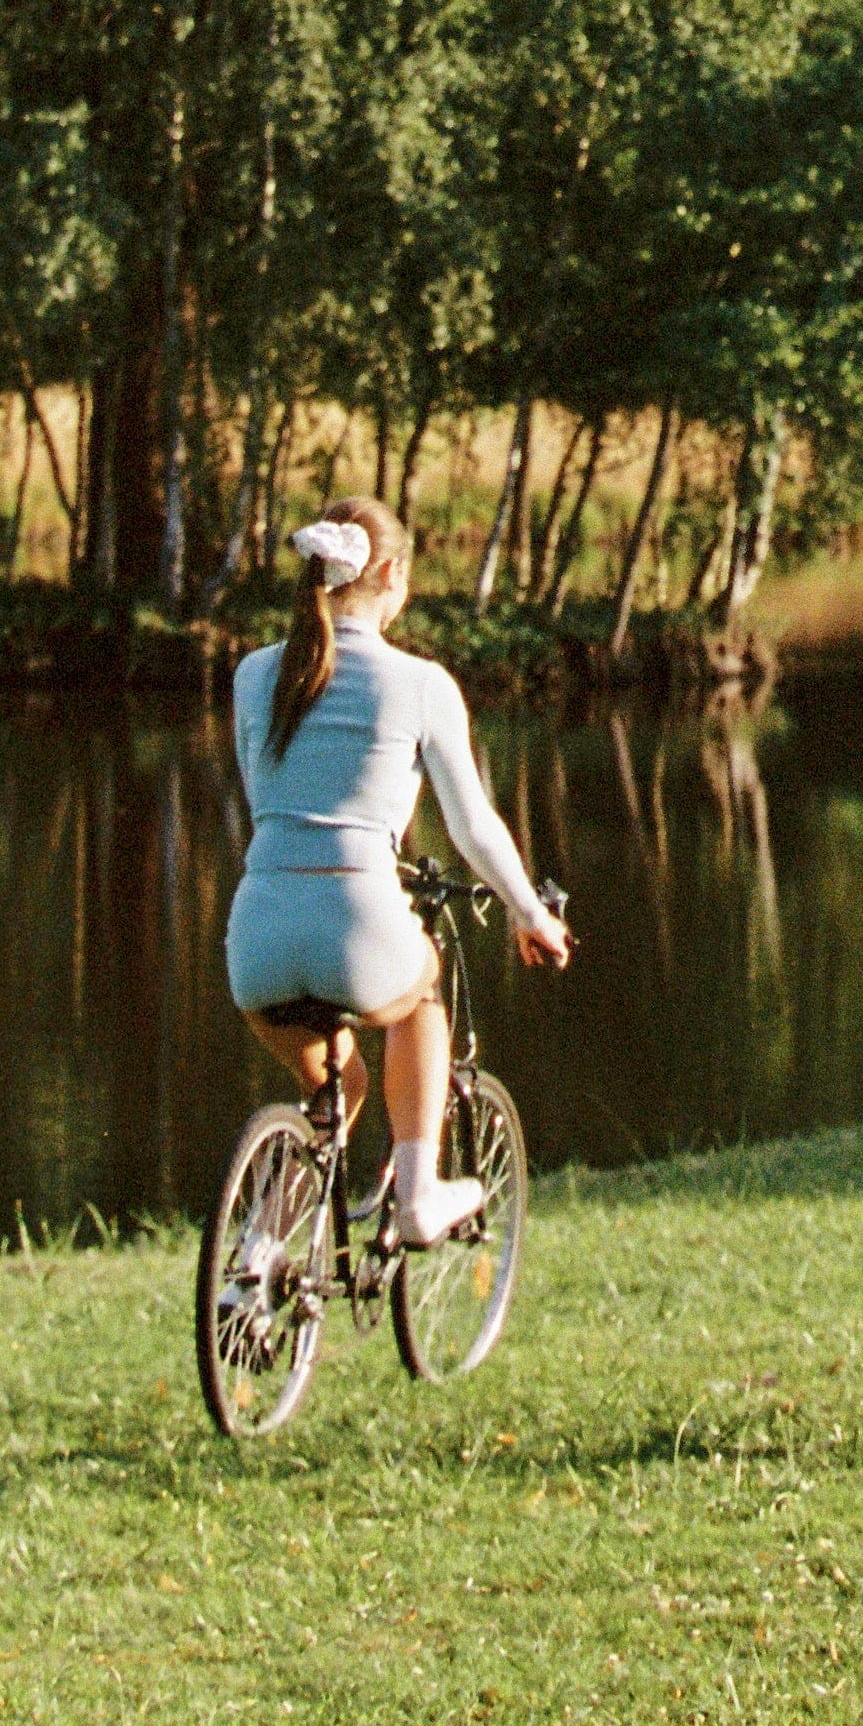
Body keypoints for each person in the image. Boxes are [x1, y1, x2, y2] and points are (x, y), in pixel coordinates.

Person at [226, 496, 571, 1245]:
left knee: (338, 1093)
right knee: (421, 994)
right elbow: (472, 826)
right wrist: (530, 914)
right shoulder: (420, 683)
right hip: (358, 927)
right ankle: (417, 1196)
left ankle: (255, 1262)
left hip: (256, 937)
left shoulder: (253, 675)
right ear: (388, 574)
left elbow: (268, 806)